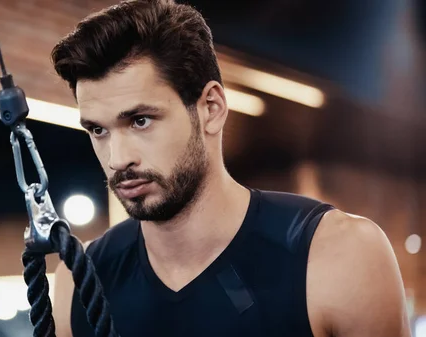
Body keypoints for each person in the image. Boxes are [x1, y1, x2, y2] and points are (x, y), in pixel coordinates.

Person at [49, 0, 411, 336]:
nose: (117, 158)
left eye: (141, 120)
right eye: (98, 129)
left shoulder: (340, 255)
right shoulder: (79, 280)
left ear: (211, 108)